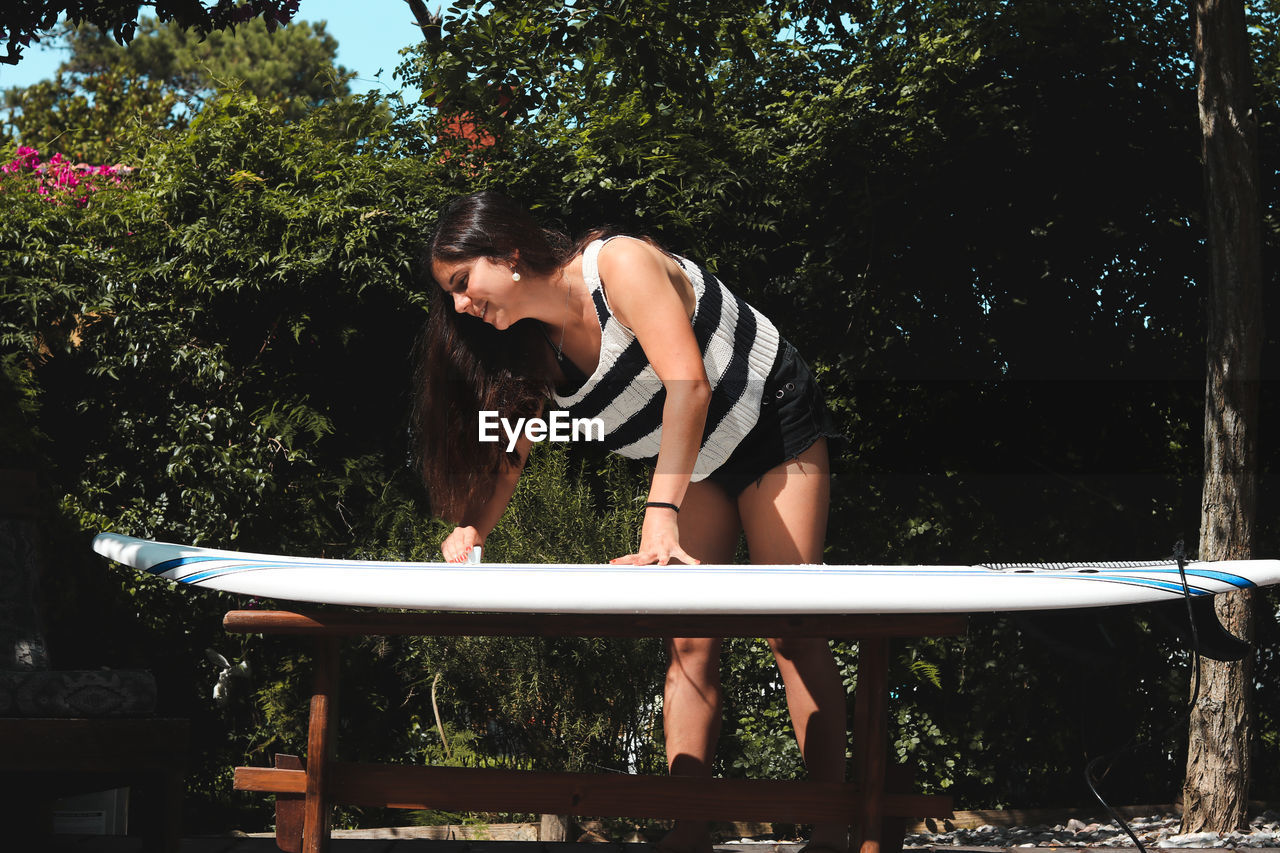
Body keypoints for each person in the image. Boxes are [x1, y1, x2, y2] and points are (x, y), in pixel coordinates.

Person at [412, 190, 849, 853]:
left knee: (791, 628)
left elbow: (689, 385)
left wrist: (659, 516)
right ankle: (688, 829)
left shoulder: (618, 266)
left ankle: (838, 822)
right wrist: (474, 529)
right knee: (689, 642)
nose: (462, 306)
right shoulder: (532, 353)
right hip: (698, 460)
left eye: (463, 283)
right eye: (451, 296)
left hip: (771, 424)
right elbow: (508, 464)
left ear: (507, 252)